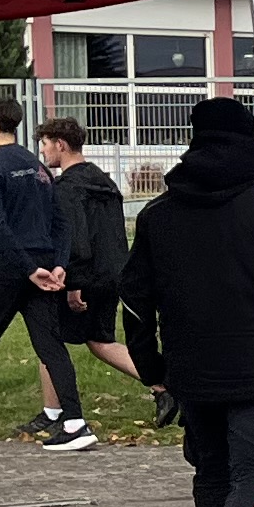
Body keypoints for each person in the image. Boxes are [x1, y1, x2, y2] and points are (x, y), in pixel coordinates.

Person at [117, 97, 254, 507]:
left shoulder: (157, 214)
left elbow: (135, 298)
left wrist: (149, 365)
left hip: (191, 364)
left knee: (211, 467)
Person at [0, 97, 100, 451]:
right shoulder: (38, 167)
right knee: (50, 345)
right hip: (44, 265)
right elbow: (60, 222)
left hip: (8, 267)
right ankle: (76, 422)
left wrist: (28, 268)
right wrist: (57, 264)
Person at [35, 117, 147, 411]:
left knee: (48, 341)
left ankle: (52, 412)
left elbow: (75, 239)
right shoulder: (105, 182)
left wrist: (73, 284)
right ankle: (164, 383)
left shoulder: (66, 188)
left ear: (60, 144)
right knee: (101, 341)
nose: (43, 151)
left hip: (83, 276)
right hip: (112, 273)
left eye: (45, 144)